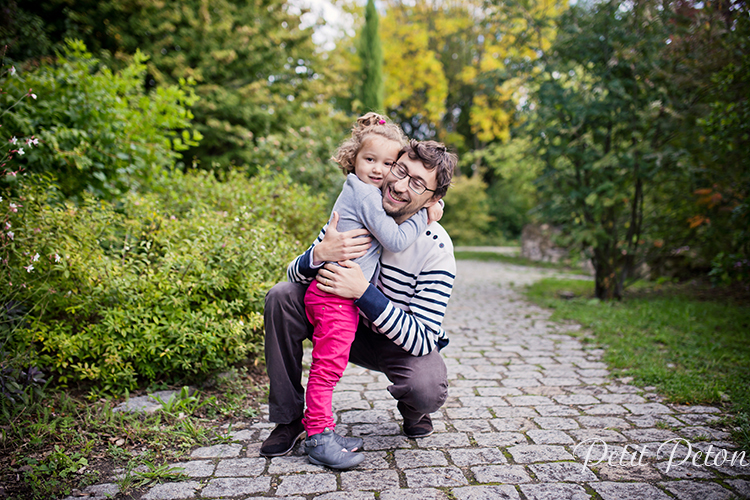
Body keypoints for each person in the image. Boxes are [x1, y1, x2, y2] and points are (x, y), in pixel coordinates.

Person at [260, 138, 457, 468]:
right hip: (342, 322)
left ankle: (413, 409)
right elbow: (295, 274)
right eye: (401, 170)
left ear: (433, 199)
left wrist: (362, 292)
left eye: (418, 183)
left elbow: (423, 339)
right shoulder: (359, 211)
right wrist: (318, 254)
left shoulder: (435, 249)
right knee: (280, 296)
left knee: (426, 387)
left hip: (396, 342)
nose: (399, 184)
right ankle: (290, 420)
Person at [297, 112, 442, 469]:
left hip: (353, 307)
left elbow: (424, 338)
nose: (380, 170)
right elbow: (393, 238)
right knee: (326, 369)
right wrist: (426, 215)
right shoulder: (364, 196)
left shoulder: (366, 196)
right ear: (353, 160)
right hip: (334, 300)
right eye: (369, 160)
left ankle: (325, 429)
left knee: (329, 367)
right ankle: (316, 434)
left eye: (388, 163)